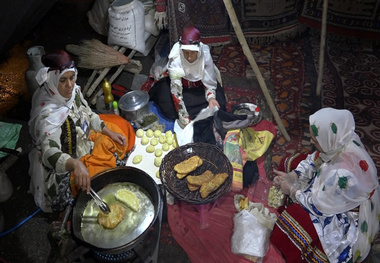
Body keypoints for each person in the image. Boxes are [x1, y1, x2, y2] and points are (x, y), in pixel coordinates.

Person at [28, 50, 134, 212]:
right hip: (66, 165)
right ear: (53, 80)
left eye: (71, 78)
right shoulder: (48, 115)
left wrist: (108, 132)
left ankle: (98, 155)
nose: (70, 85)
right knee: (101, 179)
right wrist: (75, 164)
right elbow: (49, 153)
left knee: (119, 125)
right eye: (63, 80)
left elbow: (88, 114)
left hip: (84, 139)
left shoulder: (73, 92)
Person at [270, 107, 380, 263]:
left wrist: (292, 190)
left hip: (343, 217)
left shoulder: (342, 176)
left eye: (315, 140)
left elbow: (317, 206)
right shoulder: (341, 138)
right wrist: (293, 175)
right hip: (332, 193)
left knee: (295, 217)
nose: (311, 142)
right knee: (289, 164)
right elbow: (316, 158)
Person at [148, 25, 226, 128]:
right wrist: (184, 118)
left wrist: (211, 98)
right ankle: (194, 113)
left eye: (193, 53)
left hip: (200, 86)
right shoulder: (176, 59)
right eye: (186, 53)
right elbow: (176, 92)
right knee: (167, 107)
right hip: (180, 86)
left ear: (198, 50)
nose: (189, 57)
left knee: (220, 103)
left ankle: (197, 110)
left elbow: (209, 82)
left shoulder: (205, 56)